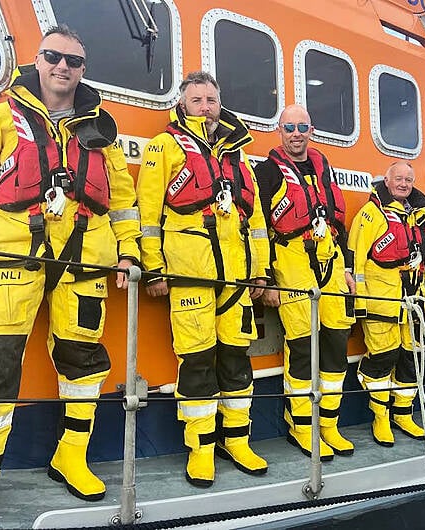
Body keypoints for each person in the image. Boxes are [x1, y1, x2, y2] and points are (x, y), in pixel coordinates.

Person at [0, 26, 141, 514]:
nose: (62, 67)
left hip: (85, 260)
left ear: (82, 69)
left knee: (84, 363)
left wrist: (129, 251)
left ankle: (71, 456)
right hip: (15, 253)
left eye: (73, 61)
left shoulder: (101, 127)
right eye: (53, 57)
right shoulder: (1, 116)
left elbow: (121, 199)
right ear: (38, 59)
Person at [136, 71, 270, 487]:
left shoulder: (239, 157)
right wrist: (154, 268)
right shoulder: (164, 147)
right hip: (190, 278)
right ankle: (201, 449)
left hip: (238, 283)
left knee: (236, 362)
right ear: (183, 104)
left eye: (212, 100)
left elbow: (258, 222)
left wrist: (261, 271)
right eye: (198, 101)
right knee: (196, 365)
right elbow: (148, 215)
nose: (206, 107)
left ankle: (237, 440)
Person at [255, 104, 356, 461]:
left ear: (310, 129)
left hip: (331, 260)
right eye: (289, 127)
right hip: (292, 260)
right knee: (302, 347)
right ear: (279, 131)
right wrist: (264, 277)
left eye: (302, 127)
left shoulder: (323, 168)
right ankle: (301, 426)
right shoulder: (267, 172)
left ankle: (328, 424)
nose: (296, 134)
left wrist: (347, 268)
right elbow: (258, 227)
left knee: (335, 342)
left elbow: (338, 221)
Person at [348, 161, 425, 446]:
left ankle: (403, 414)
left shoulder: (420, 217)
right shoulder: (371, 214)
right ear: (386, 181)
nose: (403, 184)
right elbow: (356, 260)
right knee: (382, 359)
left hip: (415, 303)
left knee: (412, 360)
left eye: (408, 180)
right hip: (382, 304)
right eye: (398, 178)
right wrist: (360, 304)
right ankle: (381, 418)